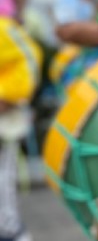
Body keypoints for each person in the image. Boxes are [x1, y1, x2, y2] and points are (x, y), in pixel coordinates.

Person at [0, 15, 42, 241]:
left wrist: (7, 96)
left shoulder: (4, 28)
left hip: (3, 124)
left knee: (4, 215)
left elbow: (29, 59)